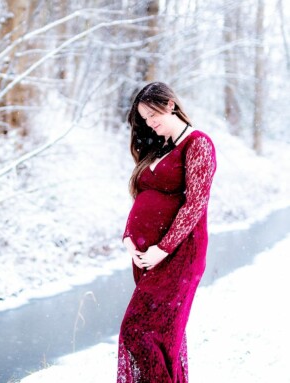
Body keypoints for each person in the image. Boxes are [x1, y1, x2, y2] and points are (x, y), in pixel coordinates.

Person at [117, 82, 216, 382]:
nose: (149, 122)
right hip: (147, 256)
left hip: (179, 255)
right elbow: (142, 198)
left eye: (153, 114)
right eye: (144, 118)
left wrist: (163, 248)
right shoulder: (160, 147)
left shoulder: (198, 144)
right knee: (161, 338)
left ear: (170, 104)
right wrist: (128, 238)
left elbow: (195, 204)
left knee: (137, 331)